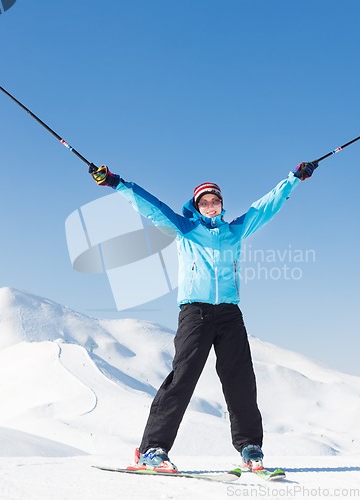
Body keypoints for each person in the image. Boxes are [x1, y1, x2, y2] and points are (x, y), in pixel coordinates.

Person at [90, 160, 318, 472]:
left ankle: (250, 447)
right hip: (194, 312)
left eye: (215, 201)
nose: (210, 205)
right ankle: (153, 449)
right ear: (197, 206)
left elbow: (265, 207)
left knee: (240, 379)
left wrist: (293, 179)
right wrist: (117, 183)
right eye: (204, 202)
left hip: (229, 313)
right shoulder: (187, 230)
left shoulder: (234, 231)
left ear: (222, 205)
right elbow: (153, 208)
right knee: (182, 378)